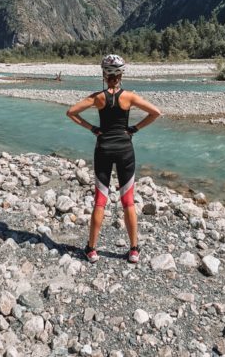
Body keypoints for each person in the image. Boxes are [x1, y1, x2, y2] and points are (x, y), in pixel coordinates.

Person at [65, 54, 163, 263]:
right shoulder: (130, 97)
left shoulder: (97, 98)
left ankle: (91, 249)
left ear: (104, 74)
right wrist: (134, 128)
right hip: (125, 149)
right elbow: (155, 112)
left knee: (100, 201)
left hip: (103, 149)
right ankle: (134, 250)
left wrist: (92, 128)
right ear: (121, 75)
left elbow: (71, 112)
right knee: (127, 201)